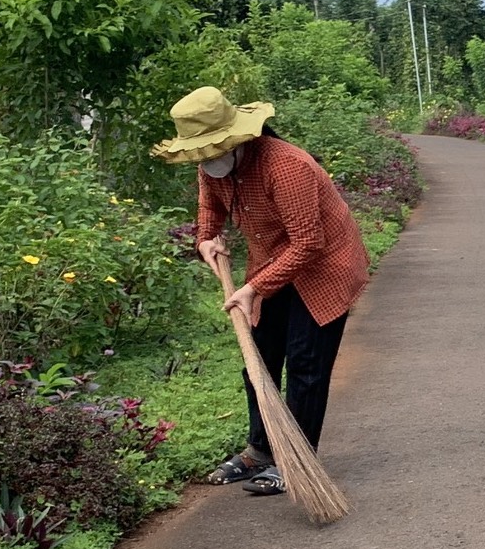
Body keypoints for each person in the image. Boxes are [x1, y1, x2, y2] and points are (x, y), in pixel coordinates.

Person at [151, 87, 372, 499]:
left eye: (213, 149)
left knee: (306, 364)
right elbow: (209, 209)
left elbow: (308, 243)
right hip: (272, 262)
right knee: (259, 361)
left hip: (325, 266)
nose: (205, 160)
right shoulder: (212, 164)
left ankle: (297, 459)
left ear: (236, 139)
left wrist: (253, 288)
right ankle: (260, 450)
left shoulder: (286, 166)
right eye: (200, 153)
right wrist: (205, 239)